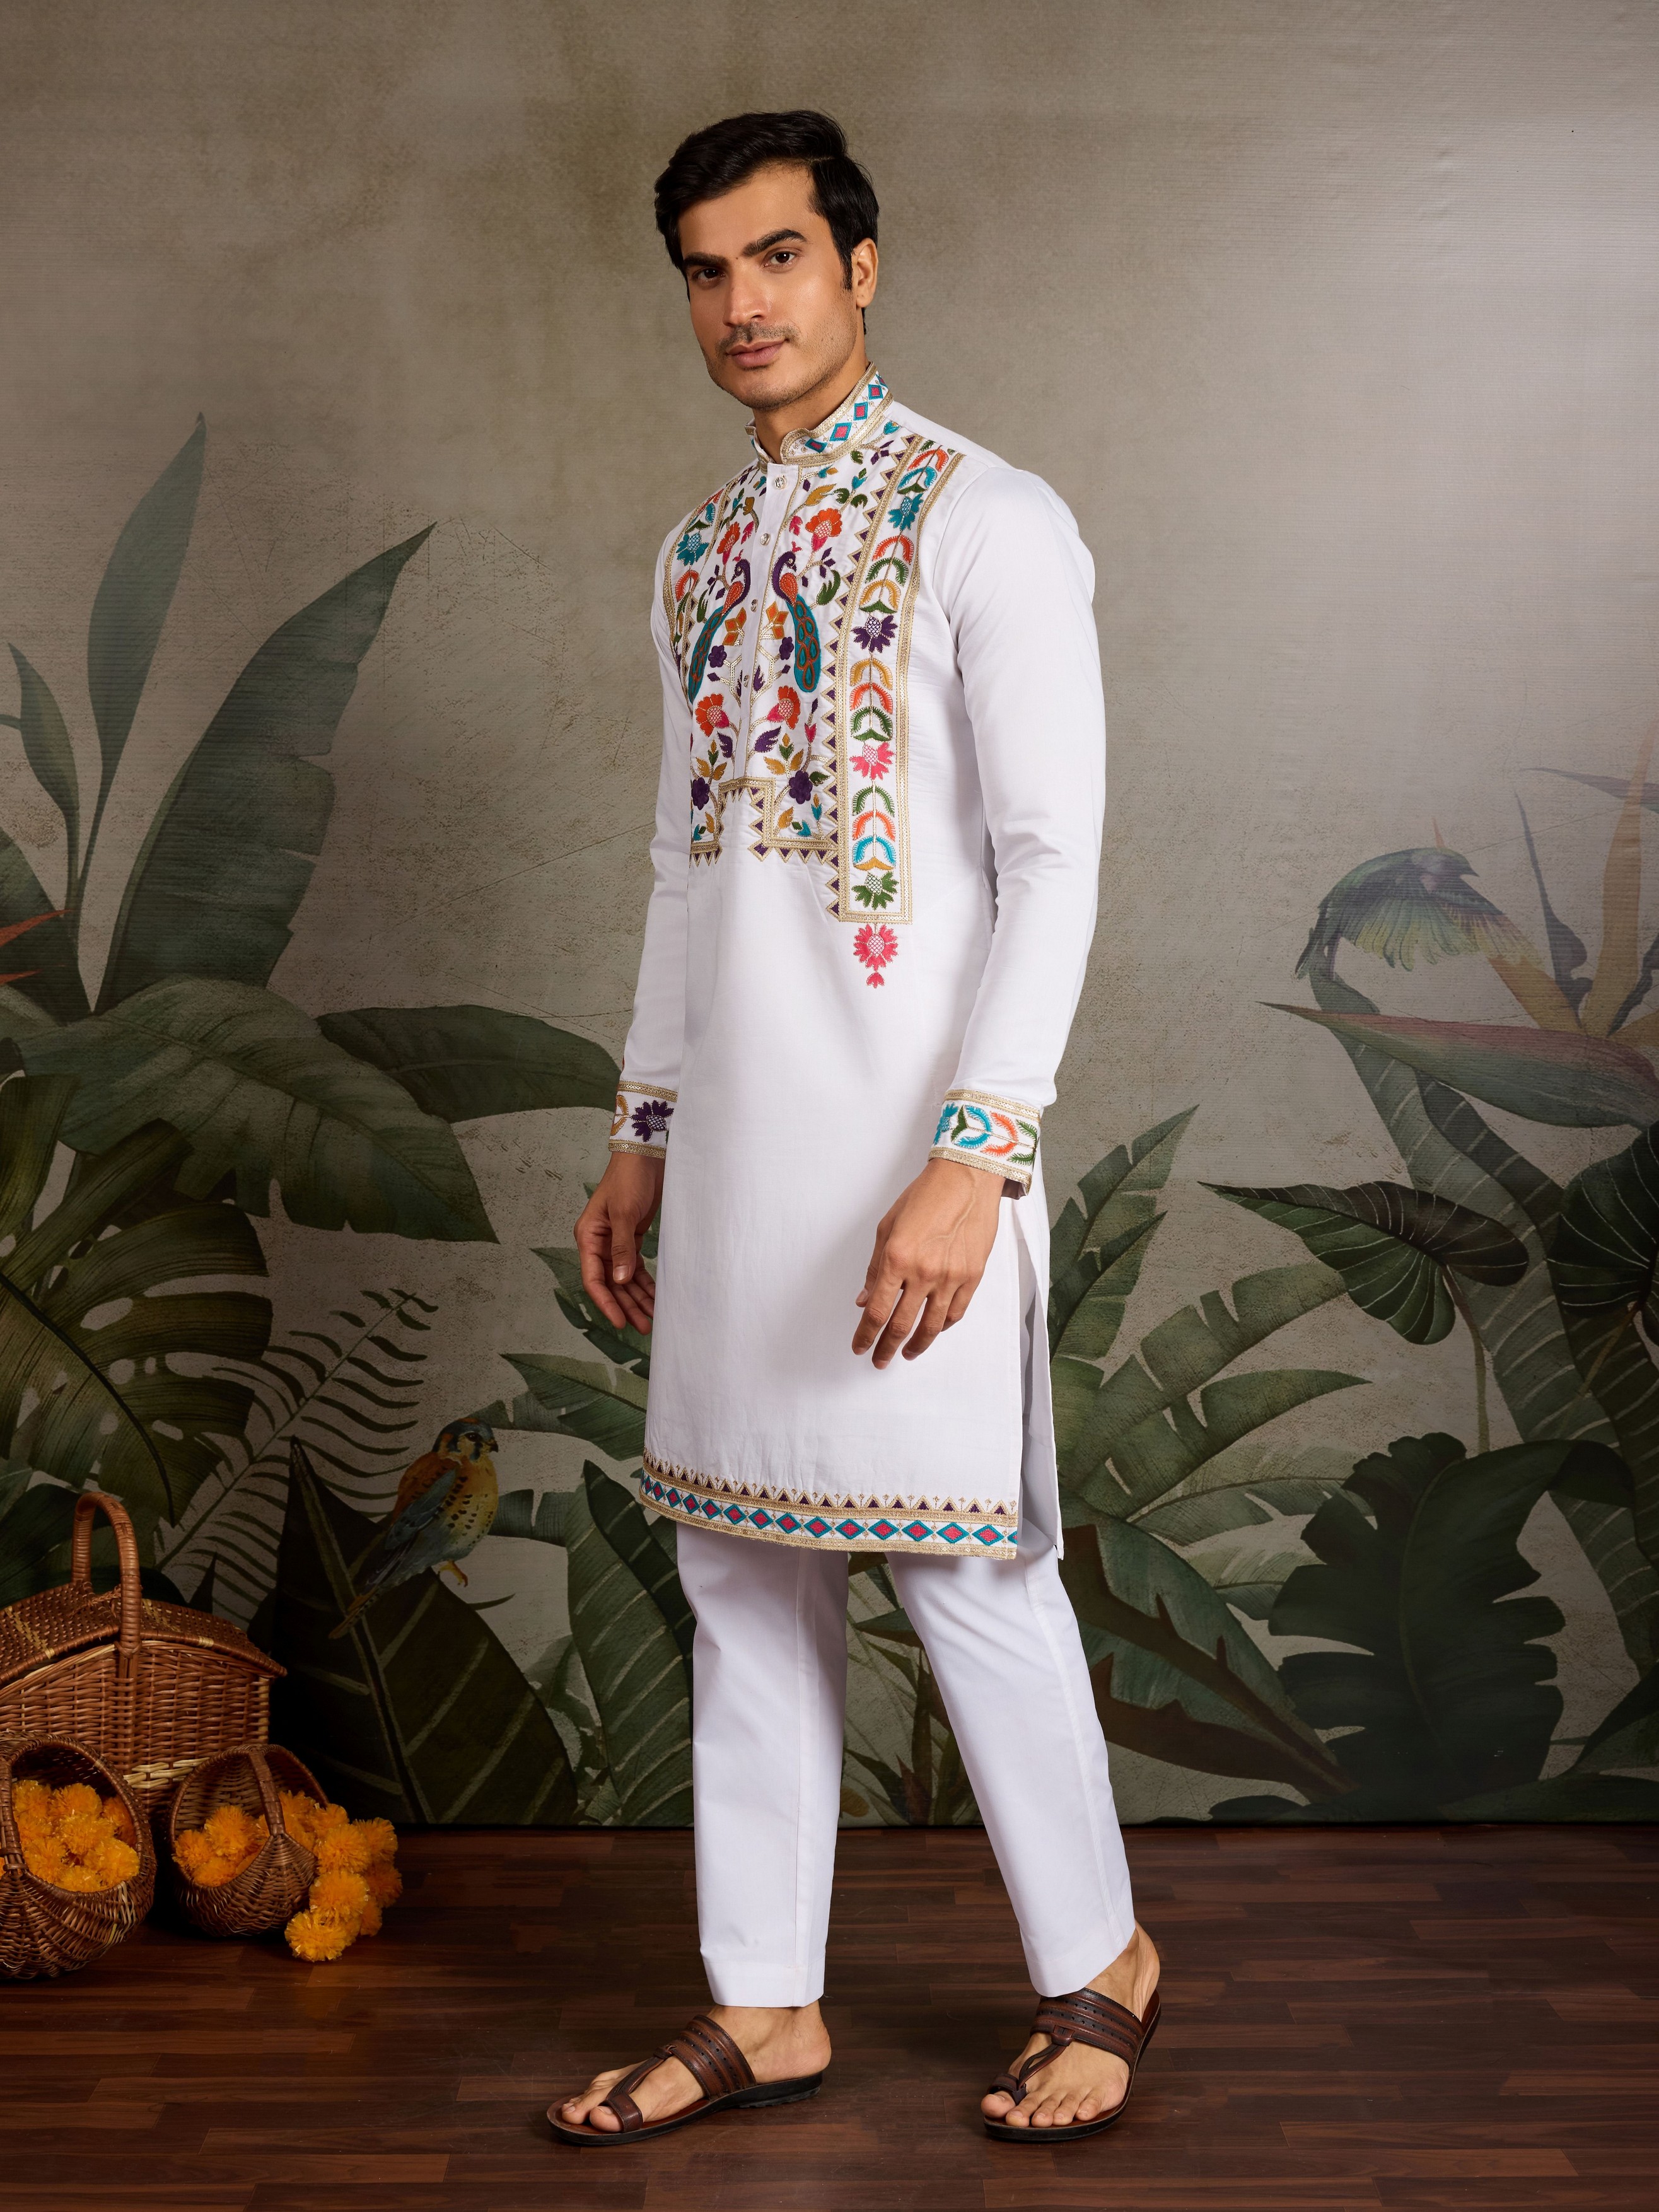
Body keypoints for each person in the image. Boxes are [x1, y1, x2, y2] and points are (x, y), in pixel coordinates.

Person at [551, 109, 1158, 2149]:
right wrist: (642, 1125)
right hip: (740, 1152)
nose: (743, 303)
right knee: (737, 1562)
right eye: (708, 271)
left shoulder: (993, 520)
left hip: (921, 1154)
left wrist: (976, 1156)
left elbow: (1054, 860)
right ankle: (766, 1997)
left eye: (780, 256)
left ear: (860, 266)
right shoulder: (697, 560)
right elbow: (682, 866)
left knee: (966, 1564)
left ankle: (1101, 1962)